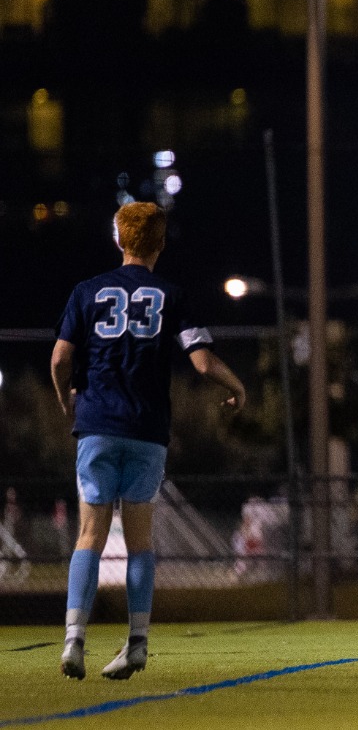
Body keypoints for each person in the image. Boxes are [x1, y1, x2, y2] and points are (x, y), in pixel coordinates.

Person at [50, 202, 246, 680]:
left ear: (120, 240)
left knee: (89, 537)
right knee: (139, 544)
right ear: (160, 243)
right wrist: (237, 387)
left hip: (97, 426)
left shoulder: (87, 292)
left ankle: (74, 641)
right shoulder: (172, 295)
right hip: (147, 432)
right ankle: (136, 644)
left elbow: (59, 360)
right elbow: (202, 363)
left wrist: (65, 402)